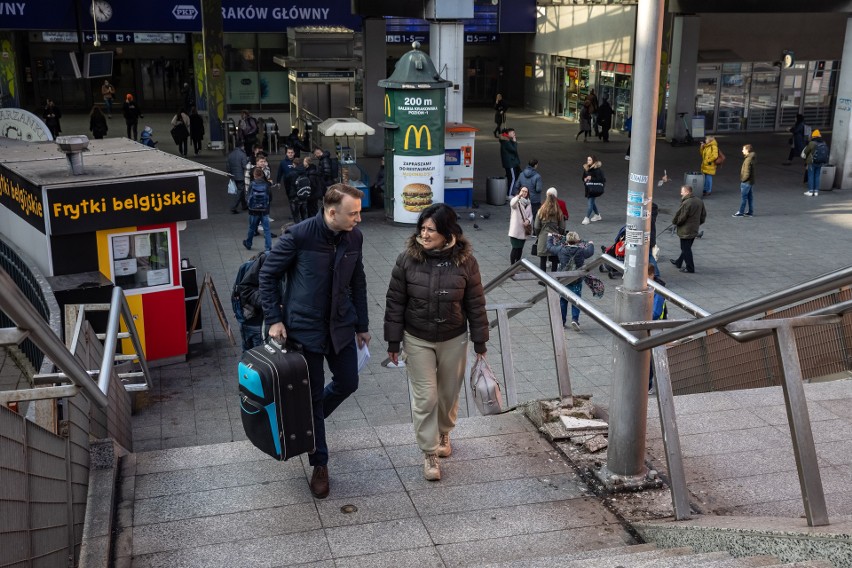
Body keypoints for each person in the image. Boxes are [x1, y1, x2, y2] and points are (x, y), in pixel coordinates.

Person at [259, 183, 370, 499]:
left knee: (348, 382)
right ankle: (319, 463)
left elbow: (358, 281)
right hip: (304, 331)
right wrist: (274, 319)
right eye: (354, 214)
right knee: (312, 397)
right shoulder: (299, 236)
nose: (358, 219)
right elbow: (268, 275)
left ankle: (311, 415)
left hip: (341, 327)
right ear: (332, 212)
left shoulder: (354, 238)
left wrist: (361, 324)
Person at [383, 203, 488, 482]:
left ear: (447, 232)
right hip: (417, 338)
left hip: (454, 337)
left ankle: (444, 431)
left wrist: (480, 341)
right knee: (426, 396)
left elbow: (475, 303)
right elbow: (395, 302)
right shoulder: (407, 259)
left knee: (449, 393)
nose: (425, 234)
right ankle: (429, 452)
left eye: (431, 229)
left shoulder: (466, 262)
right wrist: (394, 342)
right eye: (422, 228)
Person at [545, 231, 594, 331]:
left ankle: (562, 321)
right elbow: (590, 252)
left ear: (566, 240)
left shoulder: (561, 249)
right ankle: (575, 319)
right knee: (576, 299)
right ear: (577, 241)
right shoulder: (581, 251)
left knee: (563, 300)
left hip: (564, 279)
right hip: (577, 279)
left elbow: (550, 247)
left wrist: (550, 237)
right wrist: (591, 243)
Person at [669, 185, 707, 274]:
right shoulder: (699, 201)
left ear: (687, 192)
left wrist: (675, 222)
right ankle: (679, 262)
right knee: (687, 247)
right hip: (694, 228)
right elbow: (703, 215)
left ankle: (690, 267)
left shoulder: (686, 203)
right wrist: (698, 223)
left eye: (682, 191)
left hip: (685, 229)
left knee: (685, 248)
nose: (680, 193)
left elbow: (682, 216)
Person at [534, 189, 565, 272]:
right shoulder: (559, 211)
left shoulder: (540, 211)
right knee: (554, 259)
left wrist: (539, 235)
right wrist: (559, 234)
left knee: (543, 260)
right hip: (555, 238)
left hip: (543, 237)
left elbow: (536, 227)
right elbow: (562, 227)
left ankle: (543, 279)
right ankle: (553, 278)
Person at [243, 168, 273, 252]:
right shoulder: (267, 184)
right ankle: (268, 247)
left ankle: (248, 243)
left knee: (252, 228)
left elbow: (248, 196)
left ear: (254, 175)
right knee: (267, 230)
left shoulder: (252, 184)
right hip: (264, 211)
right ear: (262, 175)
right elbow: (270, 198)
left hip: (253, 211)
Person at [508, 186, 532, 264]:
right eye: (523, 191)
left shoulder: (528, 203)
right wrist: (518, 196)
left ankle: (517, 264)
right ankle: (512, 265)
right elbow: (512, 204)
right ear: (519, 191)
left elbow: (531, 215)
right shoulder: (516, 201)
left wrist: (528, 221)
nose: (524, 193)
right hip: (515, 230)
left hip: (524, 230)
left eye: (526, 192)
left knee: (520, 248)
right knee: (515, 248)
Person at [802, 129, 829, 197]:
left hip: (812, 162)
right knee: (817, 176)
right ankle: (816, 191)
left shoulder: (812, 143)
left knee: (811, 176)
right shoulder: (824, 143)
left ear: (813, 136)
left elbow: (805, 152)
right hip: (820, 162)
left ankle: (810, 191)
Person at [733, 144, 756, 217]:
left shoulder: (748, 160)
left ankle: (741, 212)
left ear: (747, 150)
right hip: (751, 181)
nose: (742, 150)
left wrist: (743, 179)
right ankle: (750, 212)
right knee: (750, 198)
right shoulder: (752, 158)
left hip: (746, 182)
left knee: (744, 198)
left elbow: (747, 172)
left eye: (743, 149)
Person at [581, 155, 605, 225]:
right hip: (589, 188)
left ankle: (586, 218)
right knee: (592, 202)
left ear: (593, 161)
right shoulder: (586, 169)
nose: (588, 161)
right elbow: (583, 178)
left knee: (590, 203)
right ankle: (597, 215)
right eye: (588, 160)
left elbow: (601, 179)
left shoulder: (597, 170)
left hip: (594, 189)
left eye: (590, 160)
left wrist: (591, 178)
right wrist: (585, 179)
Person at [227, 145, 250, 213]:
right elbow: (244, 165)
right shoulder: (242, 154)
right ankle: (233, 207)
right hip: (241, 176)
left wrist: (229, 173)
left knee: (241, 190)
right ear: (242, 146)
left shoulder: (230, 154)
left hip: (233, 176)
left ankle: (244, 205)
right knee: (240, 191)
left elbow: (228, 165)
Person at [499, 128, 521, 195]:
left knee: (512, 177)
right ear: (508, 134)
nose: (514, 134)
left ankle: (511, 192)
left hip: (512, 162)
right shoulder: (506, 142)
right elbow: (514, 149)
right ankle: (509, 194)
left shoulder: (506, 140)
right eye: (512, 132)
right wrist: (514, 142)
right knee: (512, 178)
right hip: (510, 163)